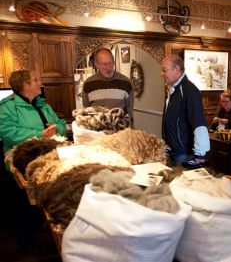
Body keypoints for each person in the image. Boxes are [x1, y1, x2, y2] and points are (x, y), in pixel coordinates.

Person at [0, 69, 66, 253]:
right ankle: (27, 242)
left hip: (49, 158)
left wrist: (55, 128)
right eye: (35, 80)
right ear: (25, 85)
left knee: (48, 197)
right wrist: (40, 135)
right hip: (22, 160)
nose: (40, 82)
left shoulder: (42, 104)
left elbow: (60, 123)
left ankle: (51, 235)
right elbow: (7, 132)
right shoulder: (7, 107)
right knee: (24, 205)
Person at [161, 55, 210, 167]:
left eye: (164, 70)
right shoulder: (172, 89)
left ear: (177, 69)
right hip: (171, 151)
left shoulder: (190, 91)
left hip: (183, 154)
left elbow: (199, 123)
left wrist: (200, 156)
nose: (161, 74)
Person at [82, 48, 134, 125]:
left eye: (110, 63)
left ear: (114, 62)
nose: (108, 68)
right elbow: (87, 110)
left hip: (120, 131)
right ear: (97, 65)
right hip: (98, 131)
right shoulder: (88, 84)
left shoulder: (126, 82)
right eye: (104, 64)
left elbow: (129, 112)